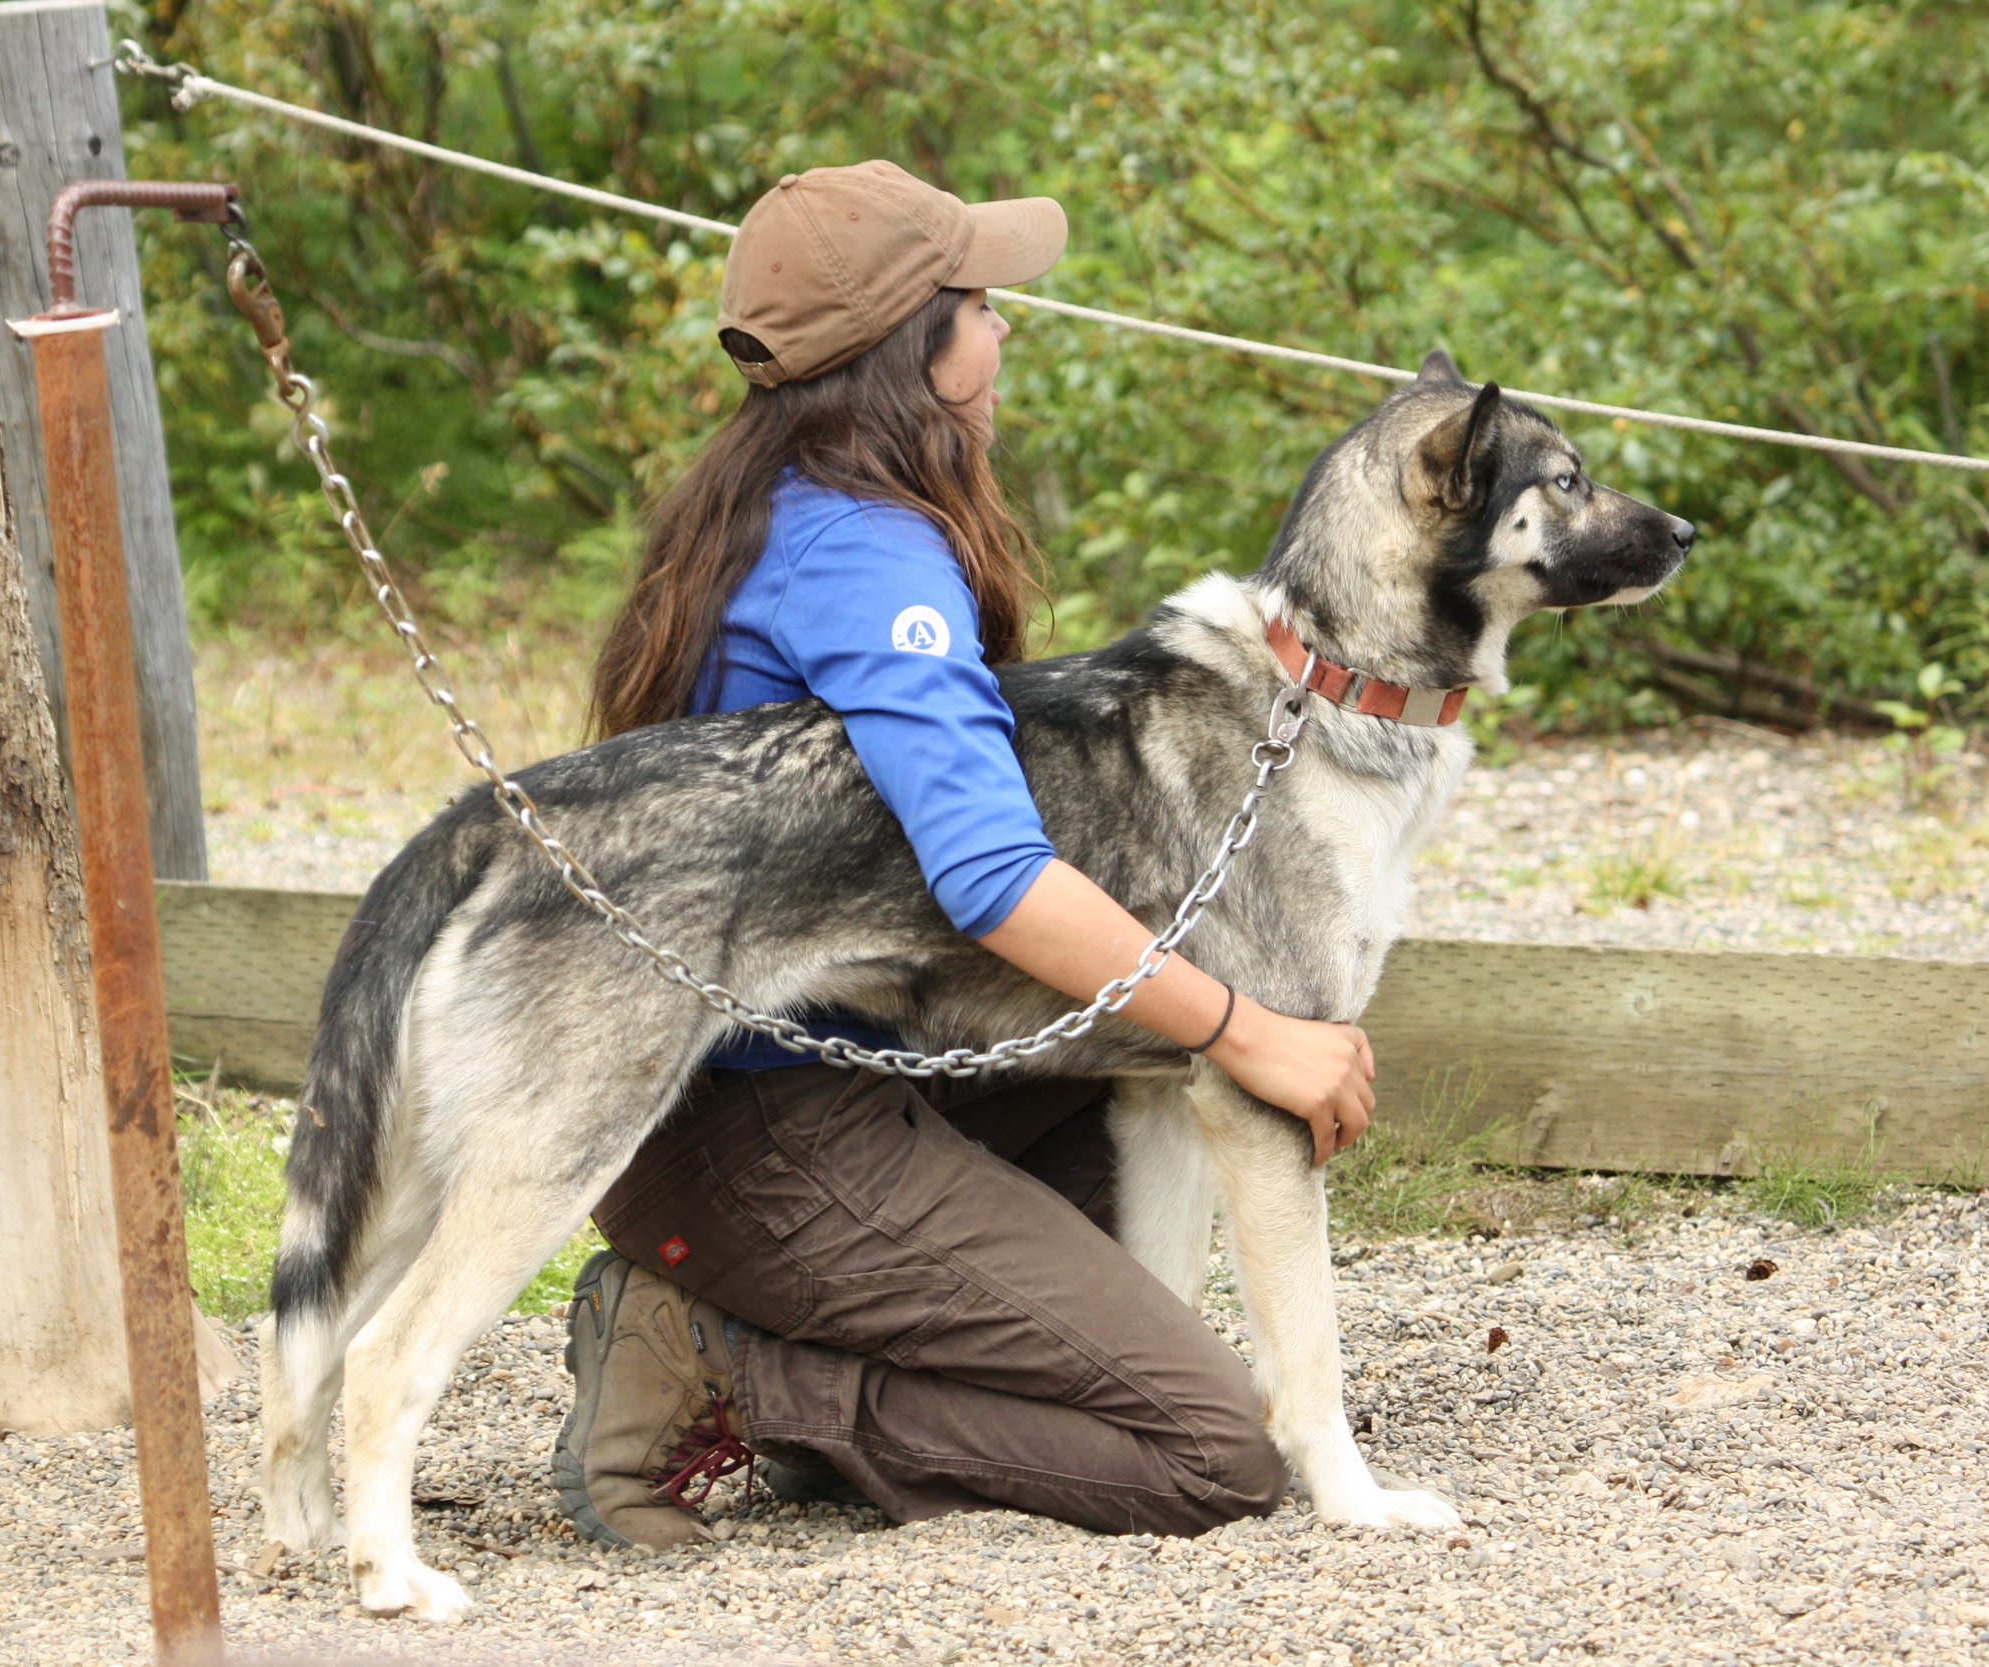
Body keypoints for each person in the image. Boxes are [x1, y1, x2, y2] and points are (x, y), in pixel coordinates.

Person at [550, 160, 1378, 1550]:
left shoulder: (777, 504)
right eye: (981, 305)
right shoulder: (872, 562)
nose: (1005, 334)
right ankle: (733, 1362)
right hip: (765, 1124)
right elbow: (988, 877)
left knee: (1128, 1132)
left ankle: (834, 1355)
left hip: (804, 1072)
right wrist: (1254, 1032)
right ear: (910, 352)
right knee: (1206, 1455)